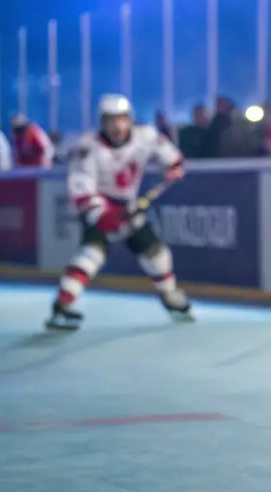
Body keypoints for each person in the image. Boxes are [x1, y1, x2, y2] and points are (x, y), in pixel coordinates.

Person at [47, 94, 192, 331]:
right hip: (100, 205)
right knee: (92, 255)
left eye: (122, 119)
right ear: (102, 123)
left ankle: (170, 294)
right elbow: (81, 189)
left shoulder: (146, 136)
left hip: (129, 204)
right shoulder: (87, 148)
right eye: (110, 121)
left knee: (156, 253)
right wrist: (103, 215)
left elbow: (171, 156)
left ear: (130, 119)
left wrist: (174, 166)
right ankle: (62, 304)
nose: (117, 126)